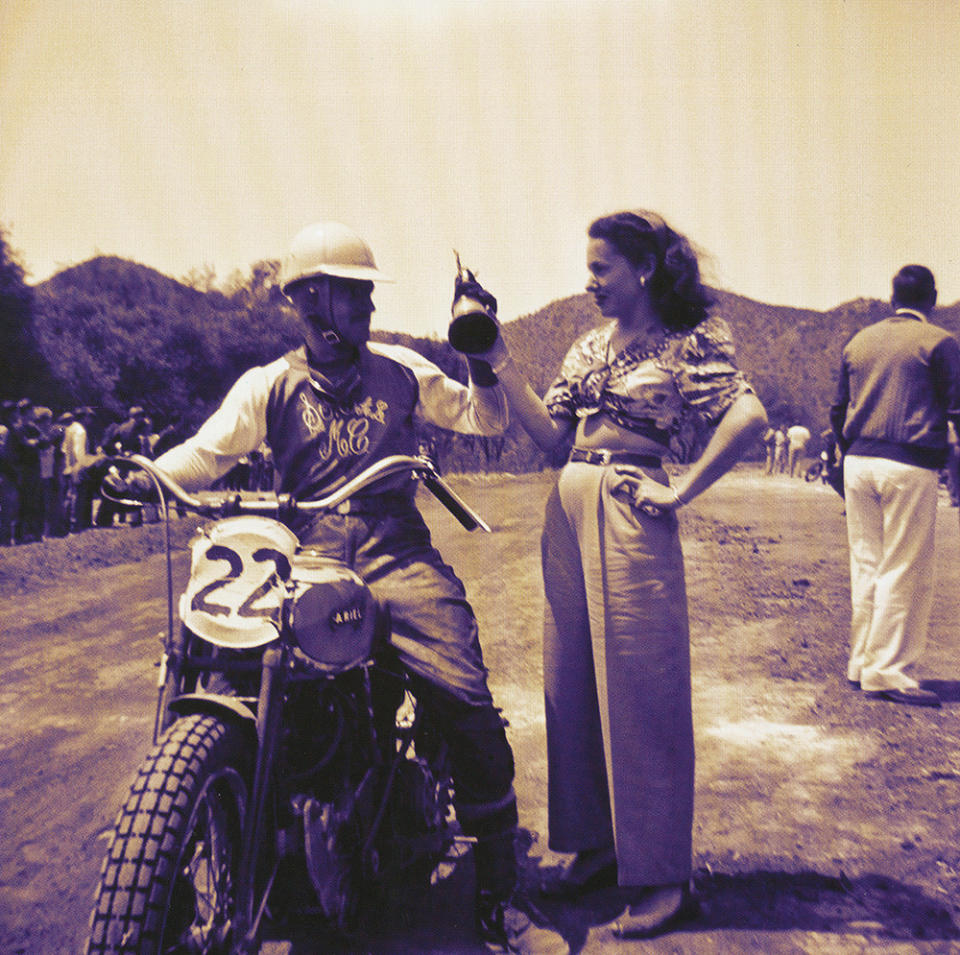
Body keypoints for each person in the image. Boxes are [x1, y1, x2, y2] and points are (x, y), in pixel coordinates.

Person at [118, 221, 569, 955]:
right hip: (306, 554)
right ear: (310, 298)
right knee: (226, 670)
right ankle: (190, 844)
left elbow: (484, 419)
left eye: (364, 291)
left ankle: (498, 890)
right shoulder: (269, 384)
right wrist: (145, 476)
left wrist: (484, 359)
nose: (365, 303)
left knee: (463, 691)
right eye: (352, 291)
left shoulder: (398, 368)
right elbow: (206, 453)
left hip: (395, 546)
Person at [469, 210, 767, 938]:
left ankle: (664, 876)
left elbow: (748, 417)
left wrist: (680, 488)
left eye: (602, 268)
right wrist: (497, 359)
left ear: (643, 269)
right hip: (568, 504)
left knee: (642, 688)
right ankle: (601, 847)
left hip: (633, 506)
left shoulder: (692, 338)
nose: (590, 280)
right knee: (569, 683)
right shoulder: (587, 345)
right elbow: (549, 439)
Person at [830, 264, 960, 708]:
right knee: (904, 568)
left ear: (892, 299)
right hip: (908, 464)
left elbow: (837, 409)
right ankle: (888, 672)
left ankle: (862, 663)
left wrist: (848, 451)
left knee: (867, 564)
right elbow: (957, 411)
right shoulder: (941, 343)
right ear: (934, 298)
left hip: (859, 460)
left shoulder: (859, 341)